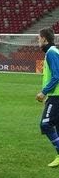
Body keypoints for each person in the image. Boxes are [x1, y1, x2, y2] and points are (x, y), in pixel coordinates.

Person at [36, 27, 59, 167]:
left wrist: (44, 92)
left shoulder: (51, 53)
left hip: (56, 96)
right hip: (55, 95)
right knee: (57, 125)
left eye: (39, 38)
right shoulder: (53, 52)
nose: (38, 41)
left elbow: (56, 75)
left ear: (44, 39)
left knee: (45, 124)